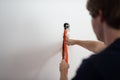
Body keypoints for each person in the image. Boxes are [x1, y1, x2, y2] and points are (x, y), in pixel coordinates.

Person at [59, 0, 120, 80]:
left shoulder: (95, 67)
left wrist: (63, 71)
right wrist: (76, 42)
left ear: (100, 16)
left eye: (91, 16)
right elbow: (98, 47)